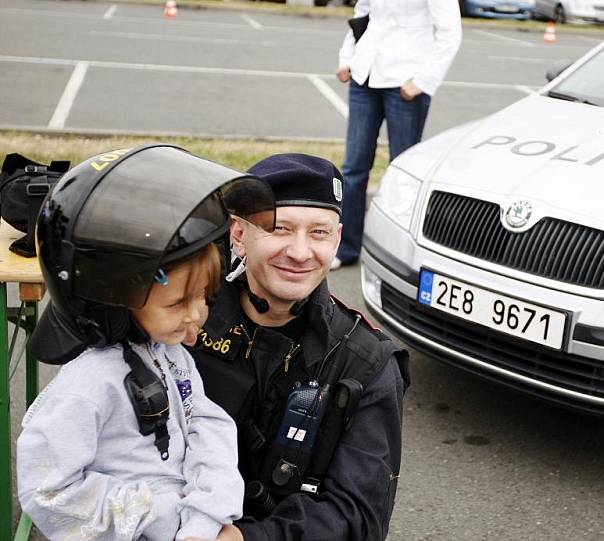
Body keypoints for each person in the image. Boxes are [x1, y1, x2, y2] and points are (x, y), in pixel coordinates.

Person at [16, 145, 275, 540]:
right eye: (177, 303)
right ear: (111, 299)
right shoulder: (87, 387)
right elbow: (49, 490)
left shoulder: (166, 351)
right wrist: (165, 514)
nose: (195, 317)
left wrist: (209, 509)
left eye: (203, 298)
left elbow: (203, 420)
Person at [186, 153, 410, 541]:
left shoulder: (366, 363)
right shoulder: (184, 318)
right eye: (280, 229)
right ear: (238, 233)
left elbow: (359, 517)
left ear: (337, 238)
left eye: (319, 233)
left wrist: (246, 539)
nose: (300, 252)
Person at [334, 0, 463, 268]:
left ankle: (400, 252)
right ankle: (346, 249)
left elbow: (450, 33)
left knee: (404, 174)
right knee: (353, 168)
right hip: (364, 76)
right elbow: (361, 16)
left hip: (405, 83)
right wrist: (348, 59)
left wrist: (423, 81)